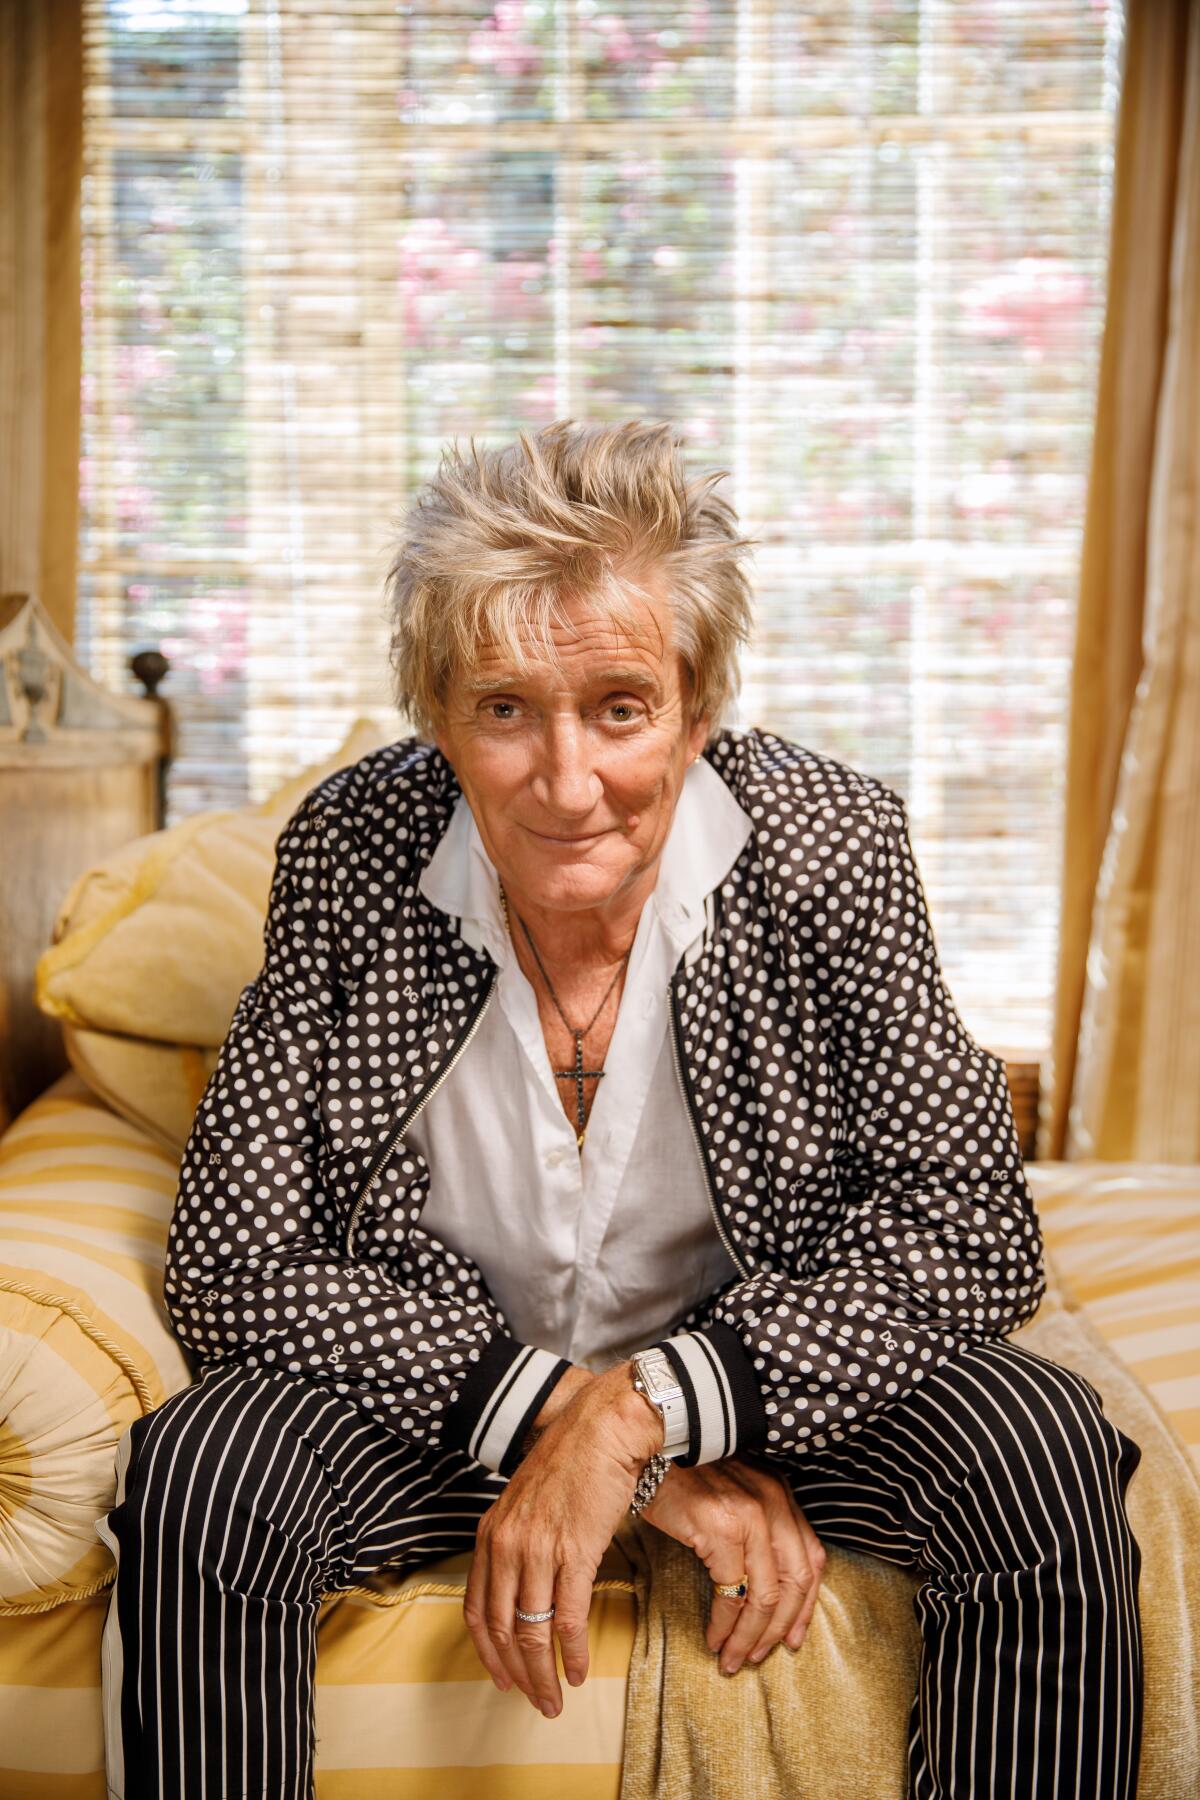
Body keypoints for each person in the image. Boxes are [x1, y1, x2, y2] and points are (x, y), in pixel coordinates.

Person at [95, 419, 1143, 1799]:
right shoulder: (349, 848)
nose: (568, 782)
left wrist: (652, 1414)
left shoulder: (832, 844)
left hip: (765, 1391)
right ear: (438, 718)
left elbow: (970, 1225)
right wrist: (571, 1426)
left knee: (1040, 1448)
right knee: (202, 1470)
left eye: (621, 708)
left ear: (700, 711)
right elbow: (238, 1271)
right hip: (449, 1406)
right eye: (506, 708)